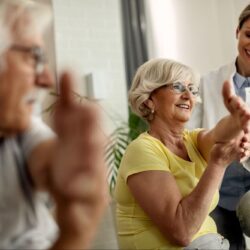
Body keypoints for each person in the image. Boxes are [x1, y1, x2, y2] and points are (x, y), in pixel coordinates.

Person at [0, 0, 107, 249]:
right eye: (34, 57)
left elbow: (49, 158)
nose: (47, 79)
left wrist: (73, 167)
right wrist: (74, 237)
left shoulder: (17, 127)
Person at [114, 58, 250, 250]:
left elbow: (218, 133)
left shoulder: (192, 140)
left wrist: (238, 119)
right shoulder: (142, 150)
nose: (188, 95)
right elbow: (182, 232)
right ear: (149, 99)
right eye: (177, 87)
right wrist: (217, 164)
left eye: (192, 90)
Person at [187, 4, 250, 250]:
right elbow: (190, 133)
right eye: (248, 34)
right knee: (225, 244)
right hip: (218, 186)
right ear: (237, 32)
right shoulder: (210, 81)